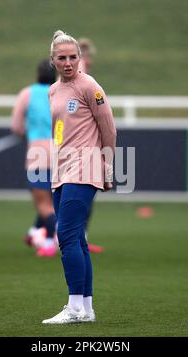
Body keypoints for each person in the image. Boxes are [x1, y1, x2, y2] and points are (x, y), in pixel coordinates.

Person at [42, 30, 116, 324]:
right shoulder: (53, 91)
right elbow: (59, 131)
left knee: (68, 236)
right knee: (78, 240)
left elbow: (108, 127)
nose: (69, 62)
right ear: (53, 61)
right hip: (62, 169)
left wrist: (107, 166)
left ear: (80, 58)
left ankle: (73, 307)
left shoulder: (90, 86)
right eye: (62, 58)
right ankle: (86, 309)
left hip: (85, 167)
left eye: (73, 57)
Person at [11, 59, 58, 257]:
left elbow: (16, 127)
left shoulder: (27, 94)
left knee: (43, 204)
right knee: (53, 202)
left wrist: (26, 135)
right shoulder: (59, 92)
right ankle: (33, 233)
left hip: (37, 154)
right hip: (60, 153)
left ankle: (49, 242)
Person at [78, 37, 104, 254]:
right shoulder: (81, 75)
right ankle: (77, 237)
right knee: (81, 193)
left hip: (77, 145)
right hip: (78, 148)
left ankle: (78, 236)